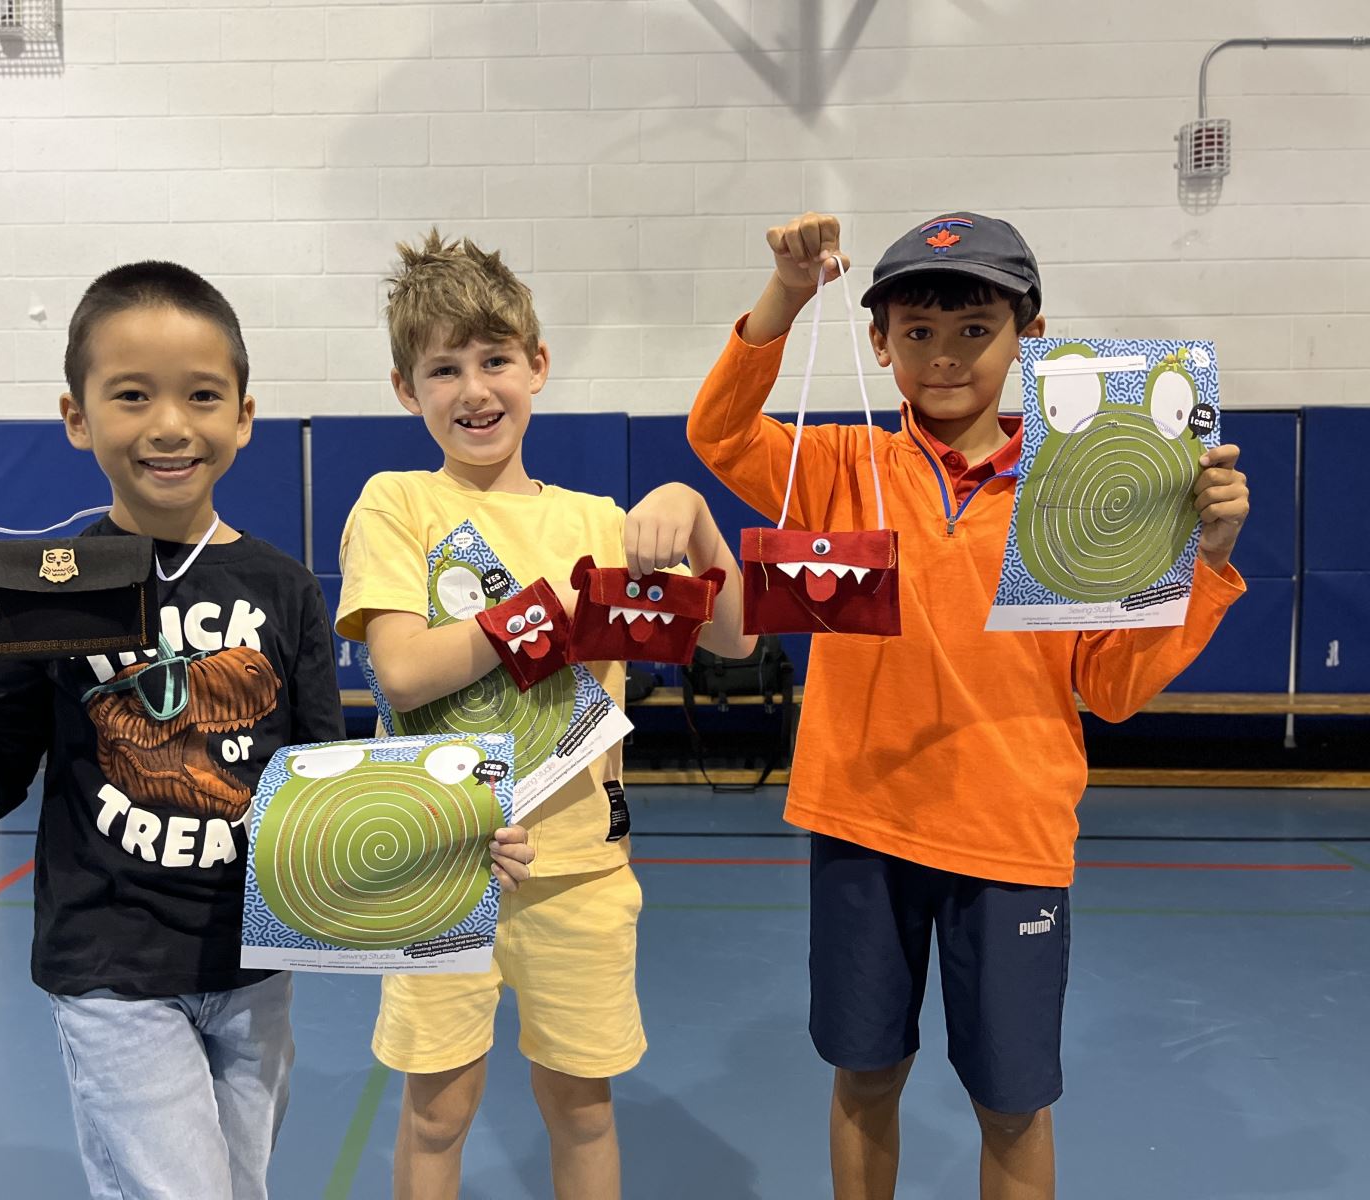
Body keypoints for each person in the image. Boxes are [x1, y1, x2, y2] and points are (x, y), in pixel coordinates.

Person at [0, 261, 530, 1200]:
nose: (169, 424)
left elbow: (324, 783)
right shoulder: (44, 580)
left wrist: (453, 835)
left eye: (201, 396)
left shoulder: (280, 588)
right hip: (110, 965)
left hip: (254, 964)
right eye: (132, 395)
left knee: (242, 1185)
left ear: (243, 416)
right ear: (77, 416)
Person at [687, 211, 1250, 1199]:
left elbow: (1112, 689)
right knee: (864, 1074)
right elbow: (719, 431)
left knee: (1011, 1101)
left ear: (1029, 336)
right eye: (916, 332)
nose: (942, 357)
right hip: (861, 822)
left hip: (1011, 834)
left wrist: (1204, 561)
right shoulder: (836, 468)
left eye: (973, 330)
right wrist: (785, 290)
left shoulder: (1083, 489)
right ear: (879, 342)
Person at [336, 230, 756, 1200]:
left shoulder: (598, 524)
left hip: (580, 869)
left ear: (537, 366)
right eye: (443, 369)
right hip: (440, 862)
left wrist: (692, 517)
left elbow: (732, 639)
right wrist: (550, 613)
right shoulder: (396, 504)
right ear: (407, 390)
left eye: (494, 360)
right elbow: (400, 671)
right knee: (436, 1112)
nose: (473, 390)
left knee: (582, 1108)